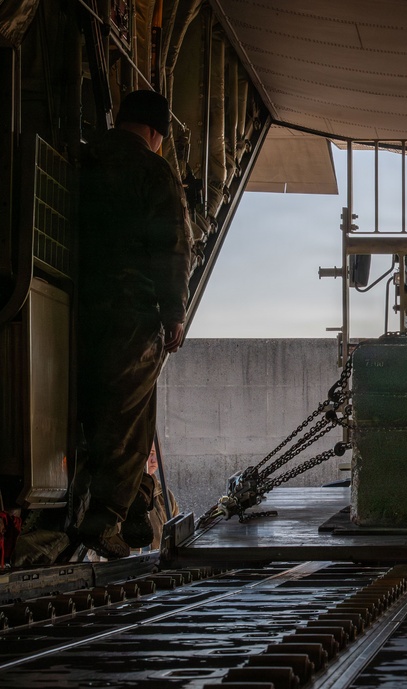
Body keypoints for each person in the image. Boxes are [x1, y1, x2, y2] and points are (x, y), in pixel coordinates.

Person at [74, 90, 194, 559]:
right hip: (133, 311)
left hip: (81, 308)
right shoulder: (153, 169)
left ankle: (141, 499)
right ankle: (106, 517)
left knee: (101, 408)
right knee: (129, 412)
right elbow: (173, 245)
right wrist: (174, 312)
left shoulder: (86, 158)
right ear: (155, 132)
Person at [144, 446, 179, 551]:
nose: (154, 460)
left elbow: (176, 530)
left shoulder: (164, 494)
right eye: (150, 454)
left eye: (156, 454)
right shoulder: (121, 493)